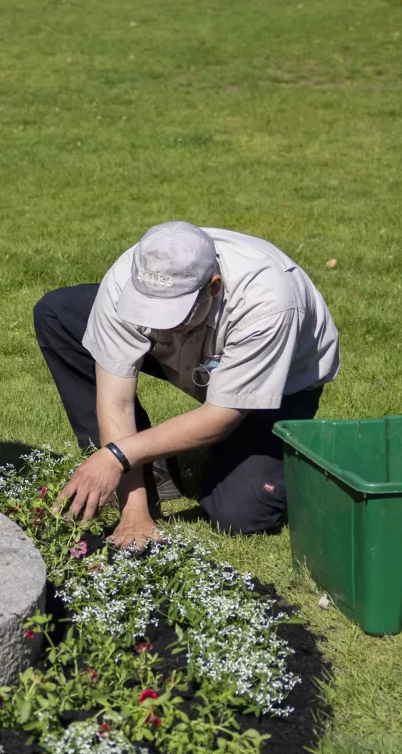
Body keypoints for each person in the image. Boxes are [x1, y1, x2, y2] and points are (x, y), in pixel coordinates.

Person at [32, 222, 339, 546]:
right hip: (198, 357)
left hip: (282, 379)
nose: (157, 325)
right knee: (58, 314)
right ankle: (144, 463)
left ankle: (157, 449)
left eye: (172, 313)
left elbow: (220, 417)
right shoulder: (126, 280)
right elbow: (116, 402)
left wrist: (117, 455)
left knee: (239, 515)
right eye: (148, 309)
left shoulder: (267, 301)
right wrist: (133, 511)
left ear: (214, 287)